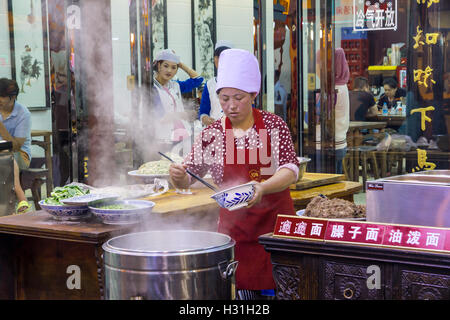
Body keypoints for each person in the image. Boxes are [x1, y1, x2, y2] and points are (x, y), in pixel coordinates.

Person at [169, 49, 300, 300]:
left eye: (238, 98)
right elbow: (189, 175)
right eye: (224, 98)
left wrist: (262, 188)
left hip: (276, 230)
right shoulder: (212, 134)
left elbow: (290, 170)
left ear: (253, 95)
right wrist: (177, 175)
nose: (230, 106)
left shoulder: (274, 125)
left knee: (283, 291)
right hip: (236, 234)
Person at [151, 49, 203, 156]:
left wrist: (181, 64)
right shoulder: (152, 88)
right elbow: (160, 117)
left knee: (183, 166)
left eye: (174, 67)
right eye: (166, 66)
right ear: (158, 66)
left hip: (183, 135)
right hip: (165, 138)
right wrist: (182, 114)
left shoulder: (175, 85)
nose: (169, 70)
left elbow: (198, 79)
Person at [0, 78, 32, 214]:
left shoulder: (23, 114)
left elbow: (17, 146)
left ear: (12, 97)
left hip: (21, 156)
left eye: (1, 96)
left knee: (7, 154)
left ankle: (20, 198)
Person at [198, 40, 233, 127]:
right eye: (218, 57)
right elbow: (203, 110)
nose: (220, 60)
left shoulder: (240, 84)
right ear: (214, 59)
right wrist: (205, 118)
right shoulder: (210, 84)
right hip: (215, 132)